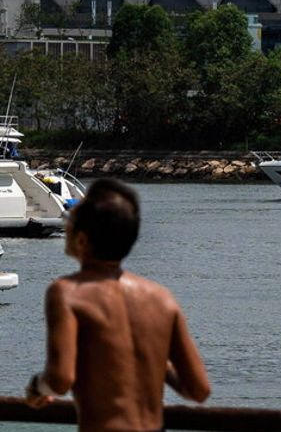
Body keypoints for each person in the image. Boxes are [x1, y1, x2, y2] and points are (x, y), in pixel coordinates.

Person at [26, 178, 209, 430]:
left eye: (70, 223)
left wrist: (37, 387)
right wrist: (153, 358)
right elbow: (198, 390)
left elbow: (61, 378)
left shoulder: (68, 293)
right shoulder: (162, 299)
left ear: (82, 240)